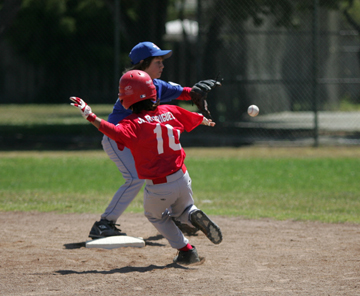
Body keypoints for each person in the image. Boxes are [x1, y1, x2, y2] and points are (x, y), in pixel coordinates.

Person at [70, 70, 223, 264]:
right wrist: (205, 120)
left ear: (125, 97)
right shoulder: (170, 110)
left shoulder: (132, 124)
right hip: (182, 176)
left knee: (155, 215)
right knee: (181, 209)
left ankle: (187, 250)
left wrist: (90, 116)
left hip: (159, 185)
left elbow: (113, 132)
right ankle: (191, 214)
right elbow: (192, 116)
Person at [88, 41, 220, 239]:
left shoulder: (155, 85)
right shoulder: (132, 89)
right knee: (135, 177)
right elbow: (129, 126)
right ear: (143, 64)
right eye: (157, 61)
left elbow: (181, 92)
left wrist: (194, 93)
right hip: (117, 139)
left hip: (136, 140)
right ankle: (104, 224)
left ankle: (176, 216)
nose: (162, 65)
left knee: (159, 172)